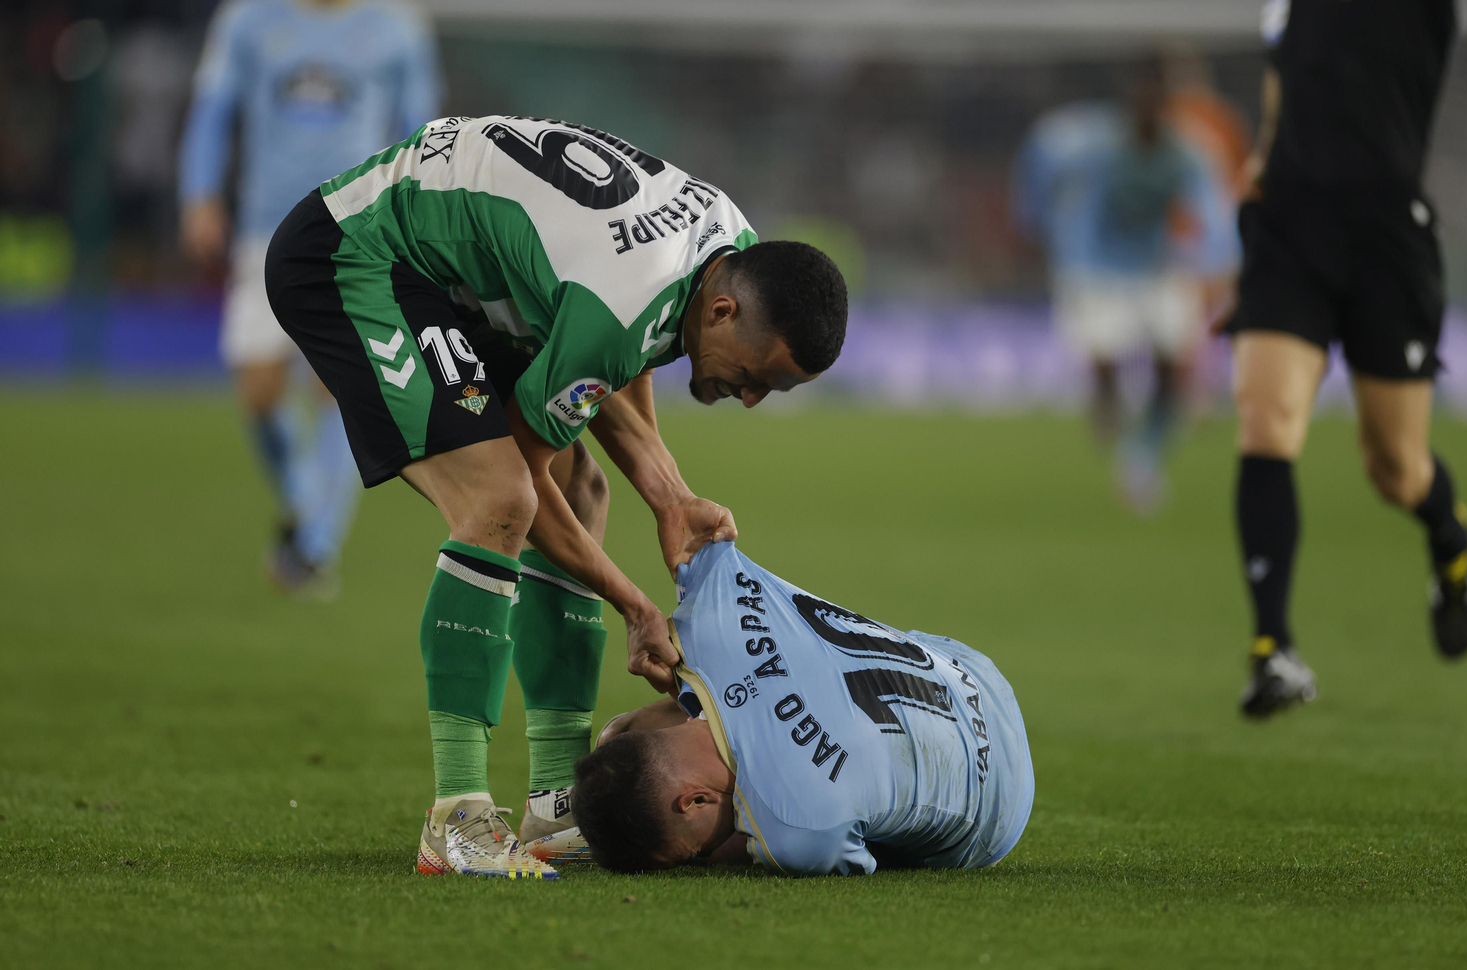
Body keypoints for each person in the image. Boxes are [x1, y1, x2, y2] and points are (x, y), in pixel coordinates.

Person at [264, 114, 849, 876]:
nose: (750, 399)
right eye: (756, 376)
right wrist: (634, 606)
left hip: (462, 278)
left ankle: (556, 804)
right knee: (501, 498)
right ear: (724, 312)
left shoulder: (725, 246)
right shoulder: (631, 298)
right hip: (358, 251)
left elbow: (624, 359)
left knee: (583, 484)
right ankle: (457, 819)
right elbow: (561, 424)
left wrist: (671, 497)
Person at [1225, 0, 1467, 718]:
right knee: (1266, 423)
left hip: (1385, 231)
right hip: (1290, 222)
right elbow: (1283, 67)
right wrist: (1267, 151)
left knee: (1396, 468)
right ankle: (1272, 648)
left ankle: (1451, 538)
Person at [179, 0, 441, 597]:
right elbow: (212, 112)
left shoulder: (398, 27)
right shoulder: (248, 20)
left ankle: (315, 545)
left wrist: (422, 223)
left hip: (358, 230)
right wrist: (199, 193)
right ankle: (303, 500)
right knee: (258, 391)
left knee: (338, 391)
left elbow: (422, 133)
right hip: (265, 230)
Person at [571, 541, 1033, 875]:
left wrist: (710, 850)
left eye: (691, 852)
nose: (699, 857)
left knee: (747, 838)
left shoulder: (798, 831)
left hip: (998, 811)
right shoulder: (708, 605)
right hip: (968, 671)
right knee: (624, 734)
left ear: (693, 800)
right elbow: (706, 543)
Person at [1014, 57, 1238, 513]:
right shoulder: (1092, 143)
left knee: (1174, 368)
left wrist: (1218, 263)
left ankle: (1142, 456)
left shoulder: (1187, 151)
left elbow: (1214, 213)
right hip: (1093, 268)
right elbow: (1039, 150)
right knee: (1105, 370)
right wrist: (1034, 219)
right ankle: (1107, 402)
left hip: (1155, 267)